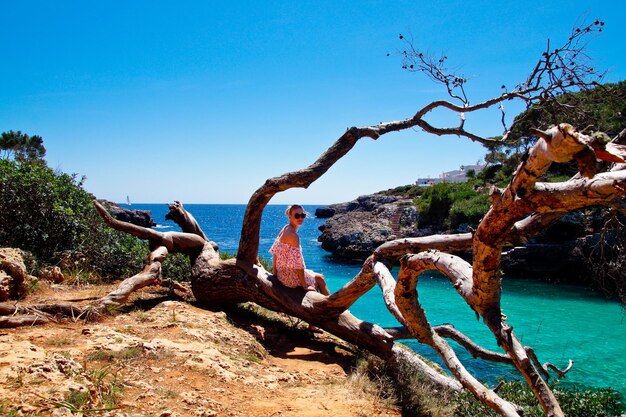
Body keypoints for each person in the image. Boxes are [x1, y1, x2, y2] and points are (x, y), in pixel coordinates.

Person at [270, 204, 330, 297]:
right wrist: (304, 285)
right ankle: (331, 307)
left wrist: (275, 273)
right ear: (289, 216)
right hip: (289, 278)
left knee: (318, 277)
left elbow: (275, 252)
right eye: (297, 215)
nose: (300, 218)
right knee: (320, 279)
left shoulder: (285, 228)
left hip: (281, 273)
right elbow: (298, 264)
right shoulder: (293, 236)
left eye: (303, 215)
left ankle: (327, 305)